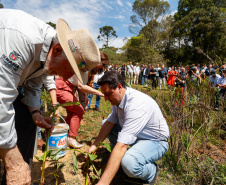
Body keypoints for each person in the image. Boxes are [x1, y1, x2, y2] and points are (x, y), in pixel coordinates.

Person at [0, 9, 100, 185]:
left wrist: (35, 113)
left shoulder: (47, 56)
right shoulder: (23, 40)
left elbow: (33, 85)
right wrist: (13, 162)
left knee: (26, 121)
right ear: (58, 49)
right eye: (69, 70)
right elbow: (1, 97)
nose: (66, 77)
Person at [87, 71, 169, 185]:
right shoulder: (118, 99)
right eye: (104, 95)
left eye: (107, 94)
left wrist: (102, 183)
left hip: (155, 142)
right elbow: (109, 124)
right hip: (138, 136)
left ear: (119, 87)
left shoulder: (136, 105)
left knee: (129, 163)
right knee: (104, 122)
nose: (105, 98)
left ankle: (151, 172)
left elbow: (122, 145)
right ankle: (117, 161)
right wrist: (95, 144)